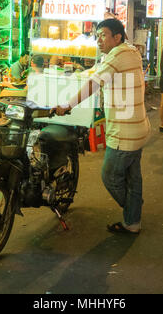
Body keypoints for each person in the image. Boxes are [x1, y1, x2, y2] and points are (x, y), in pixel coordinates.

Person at [55, 18, 151, 234]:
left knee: (110, 176)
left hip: (125, 132)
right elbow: (98, 74)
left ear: (117, 37)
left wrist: (67, 105)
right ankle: (132, 222)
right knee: (132, 176)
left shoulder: (118, 55)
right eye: (97, 35)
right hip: (138, 128)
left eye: (103, 35)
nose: (98, 39)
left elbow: (93, 83)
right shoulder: (129, 51)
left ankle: (133, 211)